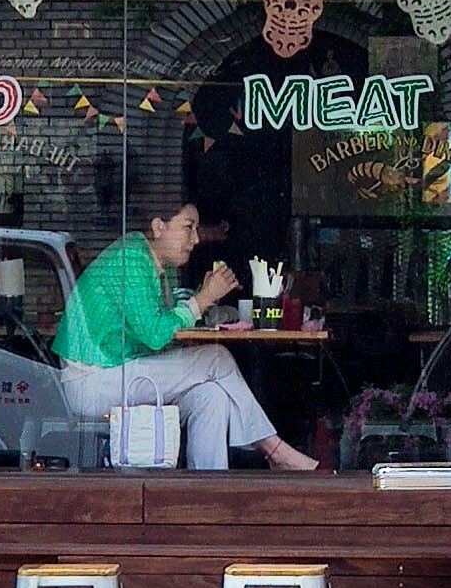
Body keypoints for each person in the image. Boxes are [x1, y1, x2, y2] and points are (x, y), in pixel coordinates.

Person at [58, 198, 319, 475]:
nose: (195, 239)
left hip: (117, 372)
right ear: (158, 227)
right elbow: (156, 334)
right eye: (188, 227)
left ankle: (207, 485)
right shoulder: (130, 258)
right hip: (93, 380)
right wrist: (203, 298)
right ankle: (275, 450)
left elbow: (163, 321)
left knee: (212, 395)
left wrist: (202, 298)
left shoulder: (155, 263)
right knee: (216, 357)